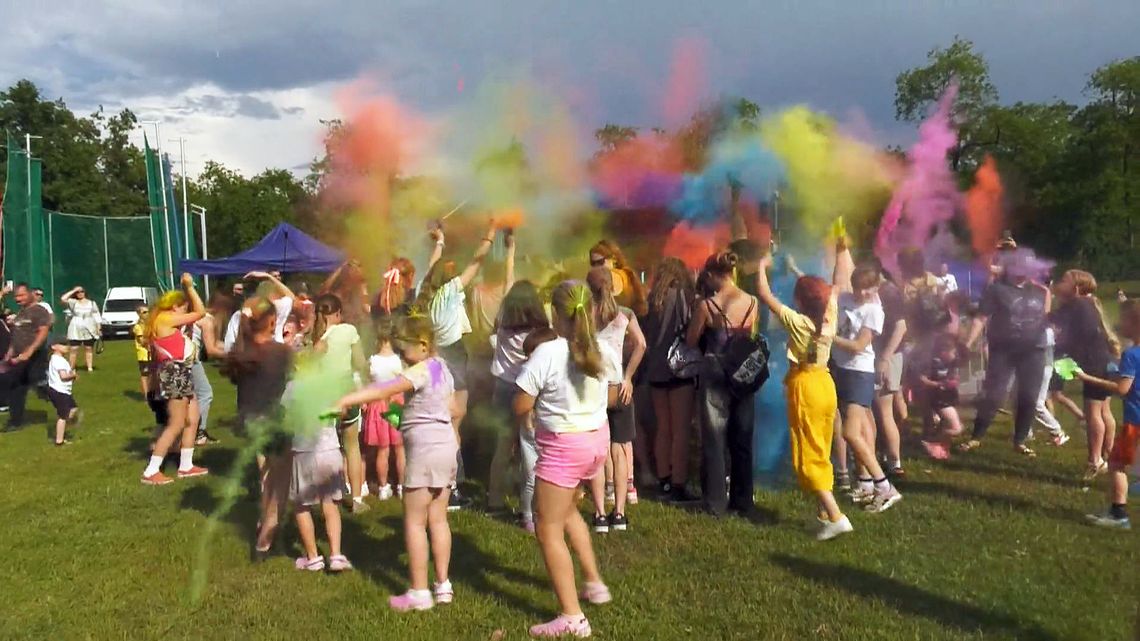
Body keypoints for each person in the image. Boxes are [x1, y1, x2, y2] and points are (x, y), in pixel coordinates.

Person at [514, 281, 618, 638]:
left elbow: (522, 402)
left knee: (547, 528)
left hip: (564, 448)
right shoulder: (603, 347)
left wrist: (535, 409)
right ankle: (593, 582)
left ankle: (573, 617)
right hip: (596, 443)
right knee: (567, 510)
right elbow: (615, 395)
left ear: (556, 315)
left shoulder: (548, 352)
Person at [336, 315, 459, 611]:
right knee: (438, 519)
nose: (403, 358)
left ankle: (418, 592)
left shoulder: (422, 368)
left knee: (415, 522)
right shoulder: (442, 367)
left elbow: (385, 389)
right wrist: (406, 418)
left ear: (423, 345)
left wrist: (346, 399)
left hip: (426, 452)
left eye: (405, 352)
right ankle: (443, 585)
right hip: (445, 447)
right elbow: (451, 407)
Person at [757, 238, 853, 541]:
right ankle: (825, 514)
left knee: (808, 453)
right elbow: (835, 285)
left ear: (800, 301)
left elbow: (763, 293)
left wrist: (762, 264)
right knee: (821, 446)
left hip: (806, 388)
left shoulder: (797, 322)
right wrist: (841, 250)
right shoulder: (830, 314)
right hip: (826, 384)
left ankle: (836, 515)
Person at [418, 219, 497, 510]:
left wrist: (439, 241)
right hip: (453, 355)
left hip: (435, 357)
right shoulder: (451, 291)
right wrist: (490, 234)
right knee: (453, 424)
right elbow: (476, 262)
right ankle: (452, 484)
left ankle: (441, 480)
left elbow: (431, 268)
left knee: (442, 420)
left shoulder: (424, 293)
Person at [685, 251, 759, 517]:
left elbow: (691, 341)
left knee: (714, 437)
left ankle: (715, 502)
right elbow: (750, 334)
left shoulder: (707, 306)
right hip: (744, 369)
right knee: (742, 435)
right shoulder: (752, 301)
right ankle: (743, 499)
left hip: (715, 367)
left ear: (716, 275)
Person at [225, 297, 294, 561]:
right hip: (274, 421)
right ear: (272, 321)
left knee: (266, 479)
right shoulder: (279, 352)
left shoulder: (241, 351)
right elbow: (290, 377)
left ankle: (264, 526)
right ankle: (265, 540)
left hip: (249, 422)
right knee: (280, 484)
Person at [961, 252, 1049, 457]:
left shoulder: (1040, 291)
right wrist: (968, 343)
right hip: (1003, 350)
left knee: (1029, 396)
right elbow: (981, 318)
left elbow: (1046, 318)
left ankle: (1020, 440)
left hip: (1034, 351)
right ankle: (976, 437)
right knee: (993, 395)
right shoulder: (997, 290)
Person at [831, 264, 902, 512]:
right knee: (856, 430)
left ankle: (884, 486)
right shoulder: (845, 298)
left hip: (860, 373)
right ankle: (865, 482)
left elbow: (859, 345)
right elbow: (830, 285)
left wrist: (827, 336)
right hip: (843, 371)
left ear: (876, 288)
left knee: (850, 433)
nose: (860, 293)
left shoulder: (874, 311)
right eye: (857, 288)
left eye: (866, 289)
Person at [585, 266, 646, 532]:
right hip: (620, 387)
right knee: (620, 450)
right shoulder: (625, 314)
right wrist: (629, 376)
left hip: (593, 389)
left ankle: (599, 514)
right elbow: (641, 344)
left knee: (599, 452)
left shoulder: (585, 315)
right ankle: (619, 513)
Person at [486, 279, 550, 530]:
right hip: (528, 392)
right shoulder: (538, 334)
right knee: (530, 450)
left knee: (502, 447)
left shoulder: (502, 328)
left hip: (502, 389)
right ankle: (531, 505)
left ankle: (494, 499)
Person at [1077, 299, 1140, 530]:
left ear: (1134, 324)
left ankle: (1118, 515)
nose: (1118, 323)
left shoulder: (1132, 354)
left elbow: (1123, 390)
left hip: (1135, 422)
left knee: (1116, 464)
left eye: (1123, 319)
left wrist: (1087, 378)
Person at [1052, 270, 1121, 480]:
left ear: (1076, 287)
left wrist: (1047, 295)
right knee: (1104, 410)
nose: (1059, 283)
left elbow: (1050, 320)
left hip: (1093, 365)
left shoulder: (1076, 305)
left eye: (1064, 280)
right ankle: (1106, 456)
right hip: (1106, 361)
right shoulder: (1088, 304)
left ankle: (1095, 460)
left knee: (1093, 414)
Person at [140, 274, 208, 484]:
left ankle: (186, 465)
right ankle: (151, 470)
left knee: (193, 418)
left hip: (180, 372)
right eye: (183, 308)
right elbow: (200, 312)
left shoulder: (163, 321)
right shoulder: (165, 318)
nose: (185, 313)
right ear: (175, 306)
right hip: (174, 373)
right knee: (177, 423)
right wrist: (189, 287)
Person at [642, 257, 698, 502]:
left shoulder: (653, 299)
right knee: (680, 430)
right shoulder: (680, 296)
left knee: (663, 429)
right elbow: (688, 326)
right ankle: (678, 484)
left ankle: (663, 480)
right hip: (678, 368)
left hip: (655, 369)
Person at [312, 294, 368, 512]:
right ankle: (356, 500)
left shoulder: (316, 338)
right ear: (338, 313)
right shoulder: (349, 331)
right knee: (352, 446)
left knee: (323, 445)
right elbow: (361, 362)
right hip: (346, 389)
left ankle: (323, 493)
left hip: (323, 392)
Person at [289, 406, 352, 573]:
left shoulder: (293, 386)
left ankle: (313, 558)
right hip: (330, 450)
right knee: (330, 504)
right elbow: (344, 411)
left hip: (304, 451)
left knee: (301, 506)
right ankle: (336, 555)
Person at [362, 320, 406, 501]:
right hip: (396, 403)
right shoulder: (399, 361)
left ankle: (382, 487)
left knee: (383, 450)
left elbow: (367, 382)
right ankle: (402, 485)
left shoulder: (372, 361)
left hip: (377, 405)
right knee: (400, 448)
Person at [1, 283, 54, 431]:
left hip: (35, 355)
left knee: (37, 381)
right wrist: (10, 353)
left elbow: (43, 332)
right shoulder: (21, 313)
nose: (18, 299)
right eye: (16, 296)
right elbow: (16, 336)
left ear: (31, 294)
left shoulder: (39, 310)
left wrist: (30, 351)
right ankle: (15, 422)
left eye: (22, 295)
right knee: (16, 387)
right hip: (19, 357)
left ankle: (64, 404)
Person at [873, 271, 907, 477]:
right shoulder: (887, 291)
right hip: (886, 356)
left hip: (887, 357)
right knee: (883, 412)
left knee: (885, 412)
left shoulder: (888, 293)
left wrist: (885, 359)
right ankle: (887, 457)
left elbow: (901, 327)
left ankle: (894, 462)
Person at [223, 271, 295, 352]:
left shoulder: (277, 307)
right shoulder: (278, 308)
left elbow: (228, 347)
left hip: (255, 355)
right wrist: (269, 277)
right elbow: (290, 297)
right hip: (271, 354)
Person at [918, 334, 964, 459]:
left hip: (949, 397)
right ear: (943, 352)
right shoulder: (932, 363)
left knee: (946, 424)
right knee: (956, 428)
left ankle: (940, 448)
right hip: (939, 400)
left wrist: (953, 380)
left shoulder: (951, 363)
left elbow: (953, 376)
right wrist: (938, 384)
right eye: (953, 352)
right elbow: (922, 379)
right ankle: (931, 442)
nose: (955, 355)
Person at [191, 292, 229, 445]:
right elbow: (212, 349)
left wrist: (233, 348)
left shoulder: (198, 315)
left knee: (191, 398)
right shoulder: (208, 320)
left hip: (181, 359)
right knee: (205, 394)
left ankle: (190, 431)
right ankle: (199, 432)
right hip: (191, 360)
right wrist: (236, 356)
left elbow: (216, 343)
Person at [589, 240, 647, 316]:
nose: (597, 266)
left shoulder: (615, 276)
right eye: (593, 263)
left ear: (613, 259)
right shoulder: (627, 274)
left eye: (600, 262)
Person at [46, 336, 80, 446]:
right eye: (63, 345)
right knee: (63, 416)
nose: (66, 347)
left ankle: (65, 426)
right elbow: (63, 376)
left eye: (67, 344)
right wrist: (73, 375)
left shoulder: (56, 359)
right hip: (59, 391)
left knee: (73, 409)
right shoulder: (58, 360)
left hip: (63, 391)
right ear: (54, 346)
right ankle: (59, 441)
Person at [60, 285, 101, 371]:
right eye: (78, 292)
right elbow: (63, 299)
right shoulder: (73, 302)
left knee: (88, 348)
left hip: (89, 326)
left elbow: (96, 315)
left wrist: (99, 328)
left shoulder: (92, 303)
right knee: (74, 348)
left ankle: (89, 367)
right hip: (75, 327)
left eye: (81, 291)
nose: (80, 293)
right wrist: (73, 290)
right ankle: (71, 367)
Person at [132, 306, 151, 397]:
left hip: (153, 354)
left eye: (147, 311)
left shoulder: (150, 325)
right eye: (144, 312)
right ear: (139, 314)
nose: (147, 314)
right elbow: (142, 341)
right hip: (144, 354)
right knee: (145, 374)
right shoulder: (137, 327)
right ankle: (146, 395)